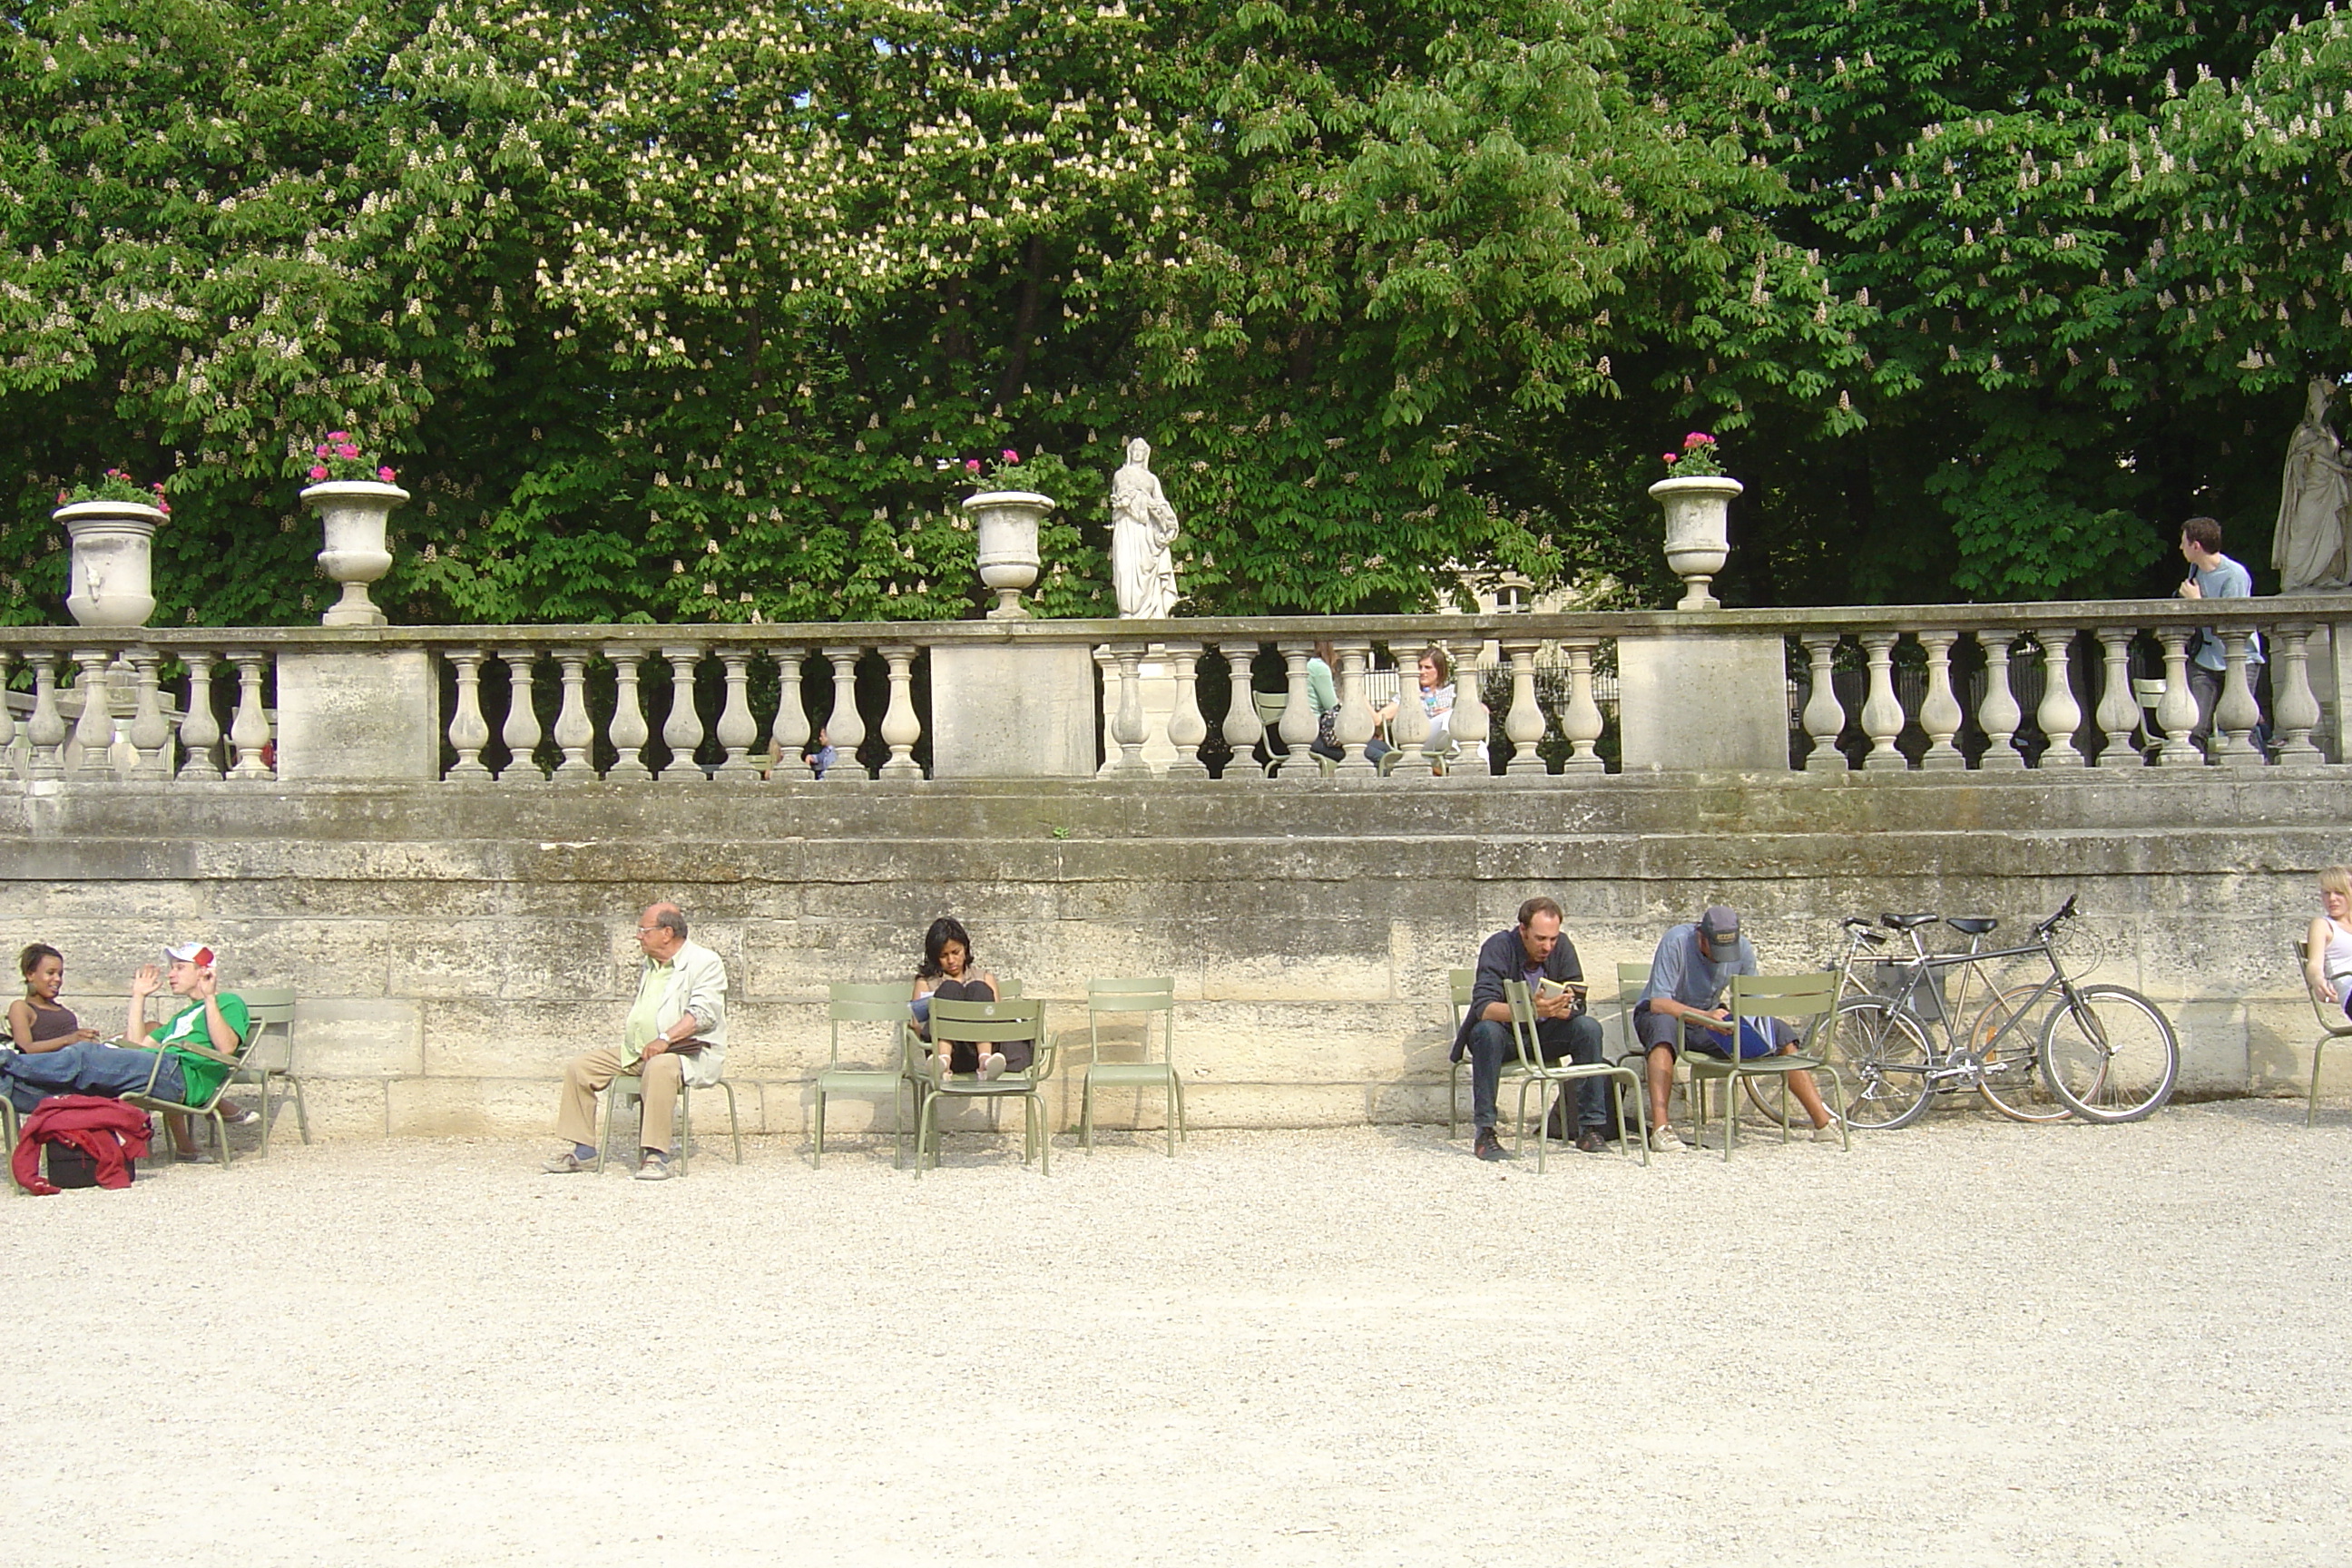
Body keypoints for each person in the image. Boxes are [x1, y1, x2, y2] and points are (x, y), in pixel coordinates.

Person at [0, 941, 250, 1161]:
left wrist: (210, 998)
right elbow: (136, 1044)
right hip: (158, 1070)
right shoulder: (181, 1017)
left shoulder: (228, 1002)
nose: (171, 974)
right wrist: (138, 995)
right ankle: (6, 1085)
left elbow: (227, 1048)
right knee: (70, 1091)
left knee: (84, 1054)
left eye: (180, 967)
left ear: (204, 972)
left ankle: (4, 1059)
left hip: (179, 1076)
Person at [542, 902, 729, 1181]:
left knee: (659, 1068)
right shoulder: (651, 963)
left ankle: (655, 1154)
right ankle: (583, 1151)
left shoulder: (705, 962)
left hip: (684, 1052)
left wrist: (664, 1038)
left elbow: (702, 1015)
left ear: (667, 933)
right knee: (581, 1067)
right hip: (639, 1051)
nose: (638, 936)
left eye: (644, 930)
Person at [1633, 906, 1837, 1152]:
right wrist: (1705, 1017)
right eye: (1715, 950)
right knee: (1663, 1028)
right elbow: (1659, 1003)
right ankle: (1661, 1129)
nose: (1721, 957)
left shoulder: (1744, 948)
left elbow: (1752, 999)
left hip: (1709, 1017)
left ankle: (1822, 1123)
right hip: (1664, 1015)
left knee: (1780, 1033)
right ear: (1701, 936)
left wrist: (1752, 1025)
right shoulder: (1676, 940)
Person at [1452, 897, 1609, 1161]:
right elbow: (1485, 1008)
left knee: (1588, 1028)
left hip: (1545, 1034)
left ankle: (1590, 1127)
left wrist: (1565, 1007)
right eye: (1540, 939)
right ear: (1523, 931)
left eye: (1553, 939)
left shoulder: (1562, 947)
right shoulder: (1499, 946)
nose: (1547, 946)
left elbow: (1578, 1002)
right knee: (1486, 1032)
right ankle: (1485, 1132)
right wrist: (1532, 1010)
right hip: (1505, 1036)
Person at [2178, 515, 2266, 758]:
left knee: (2240, 724)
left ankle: (2259, 766)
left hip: (2239, 658)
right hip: (2206, 658)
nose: (2181, 547)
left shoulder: (2234, 575)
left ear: (2196, 546)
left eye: (2184, 542)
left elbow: (2231, 624)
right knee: (2194, 725)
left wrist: (2197, 603)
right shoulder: (2195, 569)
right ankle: (2195, 774)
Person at [911, 916, 1029, 1079]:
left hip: (979, 1050)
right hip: (950, 1053)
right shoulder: (926, 983)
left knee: (978, 988)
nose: (951, 960)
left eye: (955, 952)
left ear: (965, 949)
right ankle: (943, 1061)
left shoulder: (985, 978)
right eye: (944, 955)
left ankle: (985, 1061)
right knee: (950, 989)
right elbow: (917, 1026)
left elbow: (997, 1019)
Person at [1111, 436, 1182, 619]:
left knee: (1146, 566)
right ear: (1130, 452)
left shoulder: (1152, 479)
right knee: (1125, 567)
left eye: (1142, 450)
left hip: (1146, 530)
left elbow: (1160, 502)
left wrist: (1170, 523)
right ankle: (1128, 611)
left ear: (1146, 454)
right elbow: (1124, 495)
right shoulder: (1122, 474)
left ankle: (1151, 611)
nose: (1138, 453)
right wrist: (1144, 502)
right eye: (1135, 449)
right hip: (1127, 525)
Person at [8, 943, 101, 1052]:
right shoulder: (22, 1007)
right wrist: (69, 1040)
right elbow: (24, 1049)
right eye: (50, 973)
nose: (58, 979)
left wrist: (84, 1037)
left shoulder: (59, 1008)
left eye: (60, 974)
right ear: (30, 975)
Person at [1373, 646, 1455, 767]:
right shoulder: (1408, 694)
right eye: (1419, 667)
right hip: (1421, 739)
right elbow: (1379, 718)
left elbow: (1482, 711)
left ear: (1439, 670)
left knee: (1480, 746)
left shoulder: (1452, 692)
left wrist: (1452, 711)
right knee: (1450, 716)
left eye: (1427, 667)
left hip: (1448, 740)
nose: (1422, 672)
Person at [2303, 867, 2352, 1021]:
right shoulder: (2323, 925)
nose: (2332, 899)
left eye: (2339, 893)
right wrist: (2318, 980)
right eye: (2327, 893)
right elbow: (2314, 966)